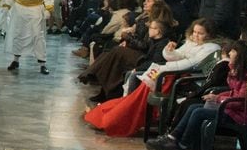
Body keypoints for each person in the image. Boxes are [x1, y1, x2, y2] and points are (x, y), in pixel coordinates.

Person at [84, 18, 221, 138]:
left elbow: (191, 64)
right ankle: (112, 113)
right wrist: (170, 50)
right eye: (195, 32)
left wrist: (164, 68)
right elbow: (176, 56)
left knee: (140, 93)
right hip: (171, 73)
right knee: (138, 89)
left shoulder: (211, 48)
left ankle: (115, 117)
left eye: (200, 33)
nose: (196, 35)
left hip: (183, 79)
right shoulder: (191, 43)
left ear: (209, 34)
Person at [149, 42, 247, 150]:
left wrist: (218, 98)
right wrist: (218, 96)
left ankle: (184, 145)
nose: (230, 53)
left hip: (242, 115)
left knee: (199, 112)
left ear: (240, 56)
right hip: (233, 110)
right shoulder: (237, 72)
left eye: (233, 51)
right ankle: (172, 138)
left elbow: (241, 101)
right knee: (193, 107)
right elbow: (234, 92)